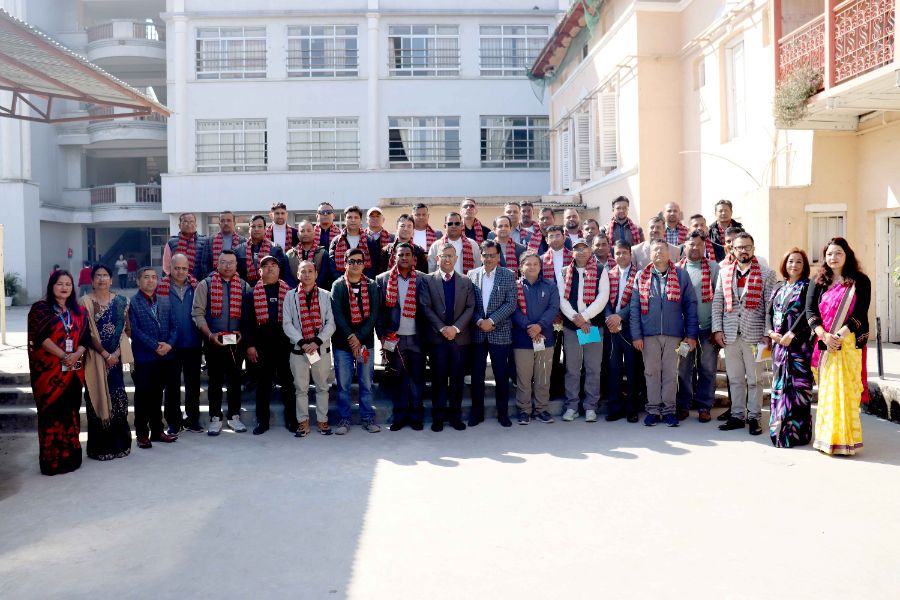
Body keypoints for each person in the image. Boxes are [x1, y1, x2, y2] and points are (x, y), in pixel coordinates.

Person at [806, 237, 871, 456]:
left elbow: (860, 312)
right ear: (824, 257)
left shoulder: (860, 281)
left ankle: (847, 440)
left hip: (848, 342)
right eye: (829, 254)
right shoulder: (818, 281)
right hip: (824, 341)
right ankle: (827, 439)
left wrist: (839, 335)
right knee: (827, 392)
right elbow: (810, 312)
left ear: (847, 255)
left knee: (846, 391)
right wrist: (824, 335)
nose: (833, 258)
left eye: (838, 253)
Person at [712, 232, 777, 435]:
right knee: (735, 378)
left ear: (753, 249)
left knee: (755, 380)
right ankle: (737, 416)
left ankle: (754, 417)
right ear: (733, 249)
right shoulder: (724, 273)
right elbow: (718, 303)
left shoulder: (767, 274)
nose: (744, 250)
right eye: (739, 247)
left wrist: (767, 333)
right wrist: (717, 329)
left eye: (747, 247)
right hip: (730, 336)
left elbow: (770, 307)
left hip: (755, 335)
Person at [630, 240, 698, 427]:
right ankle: (652, 409)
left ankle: (668, 410)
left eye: (662, 249)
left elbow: (690, 306)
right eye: (655, 250)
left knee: (670, 372)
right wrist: (636, 335)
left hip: (674, 334)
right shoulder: (641, 276)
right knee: (651, 372)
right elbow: (634, 308)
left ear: (669, 254)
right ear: (650, 254)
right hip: (648, 334)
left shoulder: (682, 276)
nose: (659, 252)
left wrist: (691, 334)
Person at [27, 270, 88, 475]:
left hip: (73, 371)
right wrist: (64, 356)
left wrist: (77, 353)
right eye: (60, 284)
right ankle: (52, 461)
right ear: (51, 286)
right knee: (51, 414)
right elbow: (41, 337)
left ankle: (71, 457)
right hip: (49, 373)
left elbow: (85, 339)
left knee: (71, 412)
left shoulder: (79, 311)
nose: (64, 288)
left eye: (68, 284)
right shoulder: (40, 309)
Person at [192, 250, 253, 435]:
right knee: (215, 380)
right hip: (214, 340)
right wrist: (210, 335)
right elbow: (197, 313)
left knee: (235, 379)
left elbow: (249, 316)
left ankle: (234, 416)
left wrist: (243, 334)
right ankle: (215, 417)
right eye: (224, 262)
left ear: (236, 265)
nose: (227, 266)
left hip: (236, 341)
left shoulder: (244, 286)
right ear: (217, 264)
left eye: (231, 263)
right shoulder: (206, 284)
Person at [81, 264, 133, 460]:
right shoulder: (84, 302)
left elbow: (126, 330)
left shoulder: (121, 302)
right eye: (97, 276)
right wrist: (104, 354)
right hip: (95, 358)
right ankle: (100, 448)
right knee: (97, 399)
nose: (102, 279)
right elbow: (87, 333)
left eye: (105, 275)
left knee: (117, 398)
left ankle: (120, 445)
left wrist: (116, 354)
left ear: (111, 280)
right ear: (92, 280)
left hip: (115, 360)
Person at [420, 243, 475, 431]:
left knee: (457, 380)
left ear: (457, 259)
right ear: (437, 258)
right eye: (444, 256)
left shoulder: (466, 281)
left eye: (451, 256)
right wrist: (443, 328)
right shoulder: (428, 281)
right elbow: (425, 307)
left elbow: (470, 307)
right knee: (438, 380)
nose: (448, 259)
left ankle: (455, 416)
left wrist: (456, 328)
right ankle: (438, 417)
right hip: (438, 340)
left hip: (459, 340)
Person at [376, 243, 428, 431]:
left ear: (414, 258)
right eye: (401, 255)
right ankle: (399, 416)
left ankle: (415, 417)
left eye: (408, 254)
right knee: (397, 379)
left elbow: (427, 310)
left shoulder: (423, 279)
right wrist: (382, 336)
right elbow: (379, 312)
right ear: (395, 257)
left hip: (416, 338)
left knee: (416, 379)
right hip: (393, 338)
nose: (404, 258)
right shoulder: (382, 279)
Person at [330, 246, 381, 435]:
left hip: (365, 343)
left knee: (366, 383)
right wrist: (351, 336)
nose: (356, 264)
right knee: (343, 385)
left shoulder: (372, 285)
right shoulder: (338, 286)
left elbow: (374, 313)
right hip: (343, 344)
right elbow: (338, 314)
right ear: (345, 263)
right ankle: (344, 419)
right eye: (352, 261)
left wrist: (358, 337)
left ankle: (367, 418)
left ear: (364, 264)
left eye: (359, 261)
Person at [244, 255, 297, 435]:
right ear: (260, 271)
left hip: (284, 346)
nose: (270, 268)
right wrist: (250, 345)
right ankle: (263, 421)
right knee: (263, 385)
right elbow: (247, 322)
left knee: (288, 384)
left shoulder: (289, 292)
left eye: (273, 265)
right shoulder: (251, 293)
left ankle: (292, 420)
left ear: (279, 270)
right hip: (262, 347)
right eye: (265, 266)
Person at [767, 248, 814, 448]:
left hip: (799, 347)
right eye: (790, 261)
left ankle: (798, 434)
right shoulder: (778, 287)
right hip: (779, 347)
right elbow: (768, 313)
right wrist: (771, 333)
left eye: (798, 262)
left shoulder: (808, 286)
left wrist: (792, 334)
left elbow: (807, 312)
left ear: (804, 267)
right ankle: (779, 432)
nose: (794, 265)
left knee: (799, 390)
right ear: (784, 264)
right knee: (779, 389)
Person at [559, 239, 610, 423]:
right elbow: (562, 299)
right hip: (573, 327)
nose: (580, 252)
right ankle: (572, 405)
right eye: (576, 249)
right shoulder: (565, 272)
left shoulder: (600, 270)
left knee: (592, 367)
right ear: (571, 252)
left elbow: (603, 297)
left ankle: (590, 406)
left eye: (584, 248)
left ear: (590, 251)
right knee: (572, 368)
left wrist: (586, 316)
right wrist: (577, 319)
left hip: (592, 326)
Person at [283, 260, 335, 437]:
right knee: (301, 389)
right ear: (297, 274)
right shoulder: (290, 296)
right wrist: (302, 342)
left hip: (320, 349)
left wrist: (317, 341)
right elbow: (287, 324)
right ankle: (303, 422)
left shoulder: (326, 296)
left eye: (310, 271)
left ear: (316, 274)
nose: (306, 274)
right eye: (303, 271)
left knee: (322, 387)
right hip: (299, 350)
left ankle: (322, 421)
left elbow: (331, 323)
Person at [128, 266, 178, 449]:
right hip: (144, 358)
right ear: (138, 280)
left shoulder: (165, 301)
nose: (151, 281)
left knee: (158, 395)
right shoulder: (133, 303)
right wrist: (155, 346)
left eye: (154, 277)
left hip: (164, 357)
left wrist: (169, 345)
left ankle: (157, 431)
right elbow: (134, 330)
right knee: (143, 396)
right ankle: (142, 433)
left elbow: (175, 326)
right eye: (146, 277)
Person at [467, 240, 517, 427]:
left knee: (501, 375)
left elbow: (510, 303)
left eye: (492, 255)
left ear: (498, 256)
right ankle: (476, 414)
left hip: (500, 332)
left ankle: (502, 414)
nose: (488, 259)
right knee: (477, 376)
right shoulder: (471, 275)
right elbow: (469, 303)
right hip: (478, 333)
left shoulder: (508, 275)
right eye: (485, 255)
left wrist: (492, 321)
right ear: (480, 256)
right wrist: (480, 321)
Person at [676, 232, 720, 423]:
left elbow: (720, 299)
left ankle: (704, 406)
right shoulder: (677, 269)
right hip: (683, 333)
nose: (695, 248)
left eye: (699, 245)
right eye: (691, 245)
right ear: (684, 246)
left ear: (704, 247)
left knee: (707, 369)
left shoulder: (713, 268)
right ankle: (683, 405)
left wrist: (717, 328)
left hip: (707, 330)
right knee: (683, 368)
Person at [512, 252, 560, 425]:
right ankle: (524, 410)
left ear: (541, 267)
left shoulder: (550, 285)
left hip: (544, 338)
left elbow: (553, 307)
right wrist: (528, 327)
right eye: (528, 264)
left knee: (543, 376)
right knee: (524, 378)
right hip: (522, 339)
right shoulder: (515, 286)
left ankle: (542, 409)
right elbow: (513, 310)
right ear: (521, 267)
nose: (532, 267)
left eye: (535, 264)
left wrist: (539, 326)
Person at [158, 253, 203, 433]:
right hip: (170, 345)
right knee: (172, 385)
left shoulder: (196, 286)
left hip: (192, 342)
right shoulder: (161, 287)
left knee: (193, 384)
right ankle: (174, 422)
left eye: (184, 268)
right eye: (177, 268)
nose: (180, 271)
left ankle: (192, 420)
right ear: (170, 267)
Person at [604, 242, 641, 423]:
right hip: (611, 328)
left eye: (624, 253)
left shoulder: (639, 274)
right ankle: (615, 407)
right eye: (618, 253)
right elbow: (603, 299)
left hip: (630, 327)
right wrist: (610, 318)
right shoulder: (608, 274)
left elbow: (636, 300)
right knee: (613, 369)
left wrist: (619, 316)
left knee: (633, 369)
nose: (621, 256)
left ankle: (632, 408)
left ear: (630, 254)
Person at [237, 215, 292, 286]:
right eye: (253, 226)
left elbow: (284, 273)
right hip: (246, 291)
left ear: (265, 229)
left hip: (270, 290)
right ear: (249, 229)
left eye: (260, 226)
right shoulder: (239, 250)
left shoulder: (275, 249)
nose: (256, 229)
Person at [329, 205, 376, 280]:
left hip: (364, 284)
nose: (353, 220)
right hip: (342, 284)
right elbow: (332, 266)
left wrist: (361, 281)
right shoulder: (336, 241)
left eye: (356, 217)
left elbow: (374, 266)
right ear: (345, 220)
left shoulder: (369, 241)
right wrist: (343, 281)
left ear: (360, 220)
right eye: (349, 217)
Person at [163, 212, 212, 281]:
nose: (189, 224)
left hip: (200, 281)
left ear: (196, 225)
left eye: (191, 221)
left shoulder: (205, 241)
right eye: (185, 221)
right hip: (177, 282)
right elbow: (166, 266)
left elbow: (209, 263)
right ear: (179, 225)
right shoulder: (171, 242)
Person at [286, 220, 328, 288]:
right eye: (302, 231)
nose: (305, 233)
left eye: (309, 231)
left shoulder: (323, 253)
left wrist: (310, 288)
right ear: (298, 234)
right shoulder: (289, 254)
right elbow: (287, 276)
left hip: (317, 293)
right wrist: (297, 290)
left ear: (314, 233)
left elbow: (323, 276)